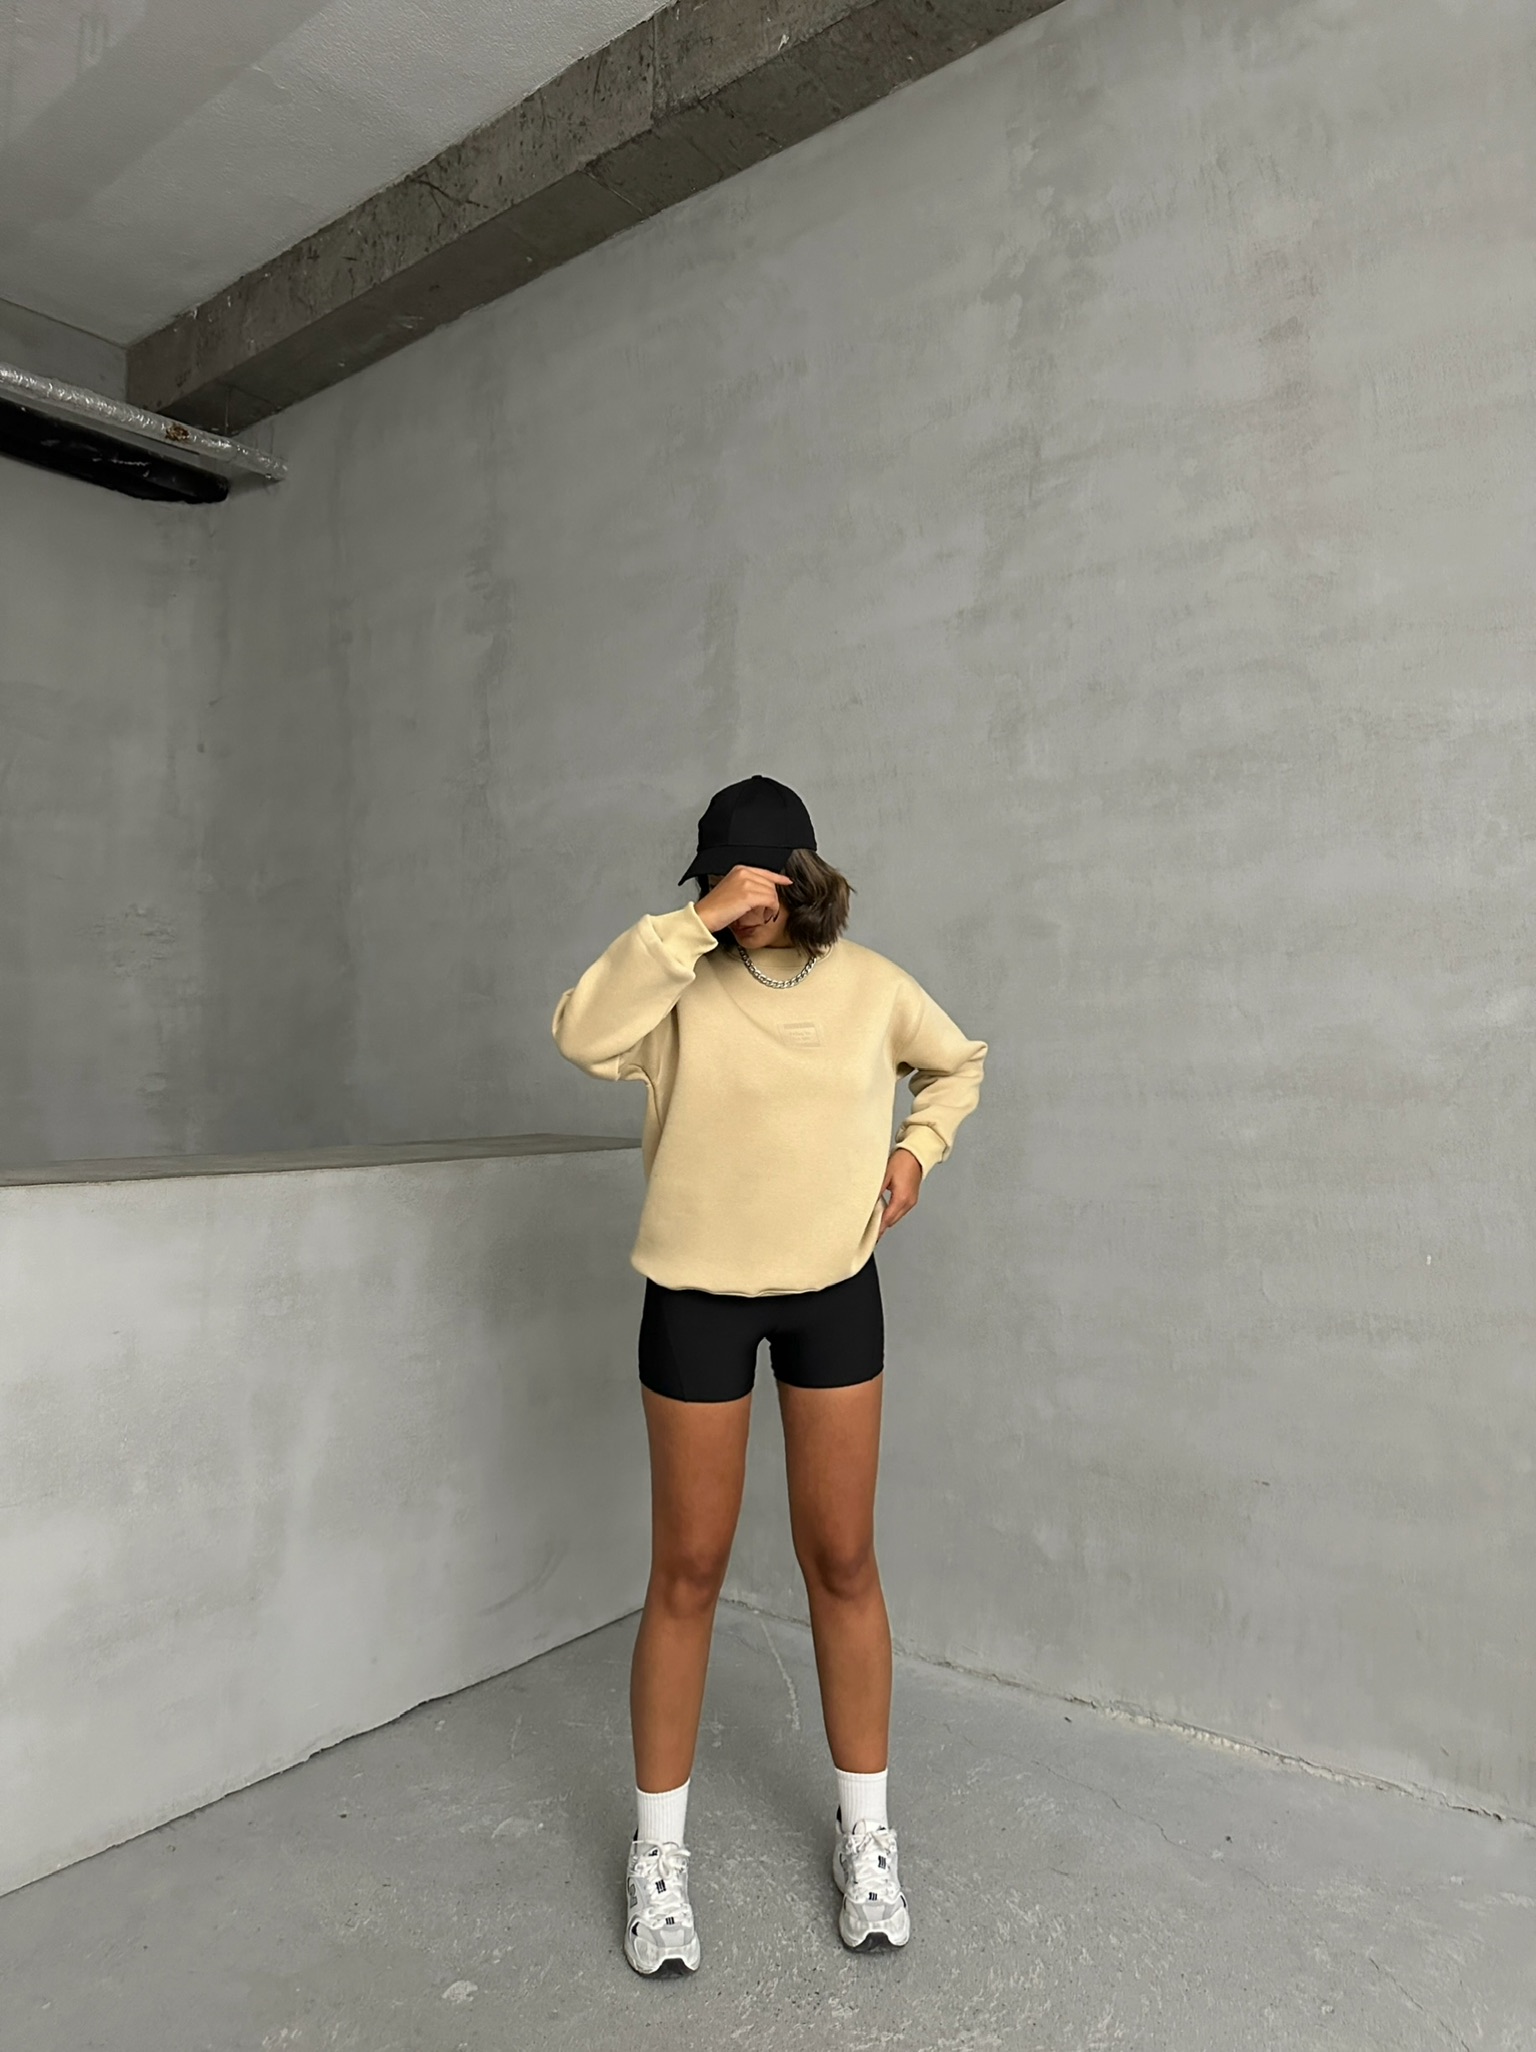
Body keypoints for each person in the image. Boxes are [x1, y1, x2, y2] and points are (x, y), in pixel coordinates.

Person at [550, 774, 987, 1976]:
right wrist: (689, 927)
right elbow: (579, 1032)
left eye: (757, 886)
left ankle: (867, 1838)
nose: (741, 905)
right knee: (687, 1571)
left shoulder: (873, 986)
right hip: (694, 1296)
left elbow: (957, 1065)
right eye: (720, 886)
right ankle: (658, 1858)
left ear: (804, 877)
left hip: (833, 1291)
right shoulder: (675, 987)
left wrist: (917, 1151)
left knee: (842, 1560)